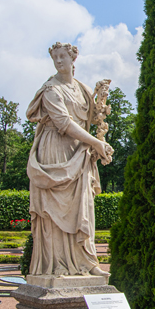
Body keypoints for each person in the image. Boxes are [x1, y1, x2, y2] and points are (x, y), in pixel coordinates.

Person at [26, 42, 114, 278]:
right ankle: (56, 266)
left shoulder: (83, 88)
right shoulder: (50, 90)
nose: (59, 61)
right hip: (55, 150)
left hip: (78, 152)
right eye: (55, 57)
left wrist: (100, 105)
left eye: (62, 56)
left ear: (73, 58)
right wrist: (96, 143)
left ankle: (86, 262)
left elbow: (91, 119)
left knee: (82, 205)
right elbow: (64, 123)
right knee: (55, 211)